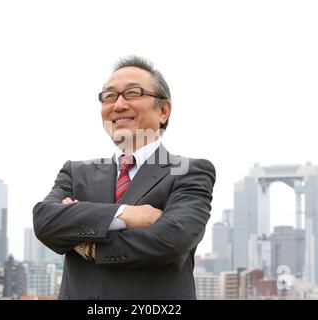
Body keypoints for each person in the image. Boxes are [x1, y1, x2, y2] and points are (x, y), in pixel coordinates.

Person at [33, 55, 216, 300]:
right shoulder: (76, 173)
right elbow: (45, 221)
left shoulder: (188, 171)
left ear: (163, 110)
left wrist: (87, 245)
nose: (118, 105)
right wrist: (125, 215)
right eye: (109, 96)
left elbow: (171, 241)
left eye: (132, 93)